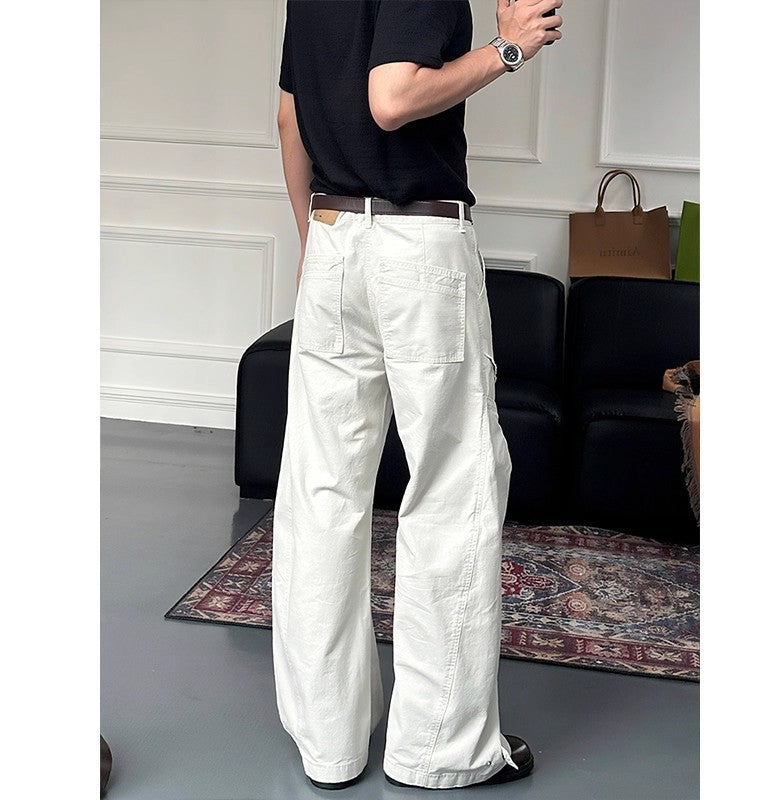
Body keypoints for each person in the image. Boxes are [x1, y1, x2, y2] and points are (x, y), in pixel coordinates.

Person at [271, 0, 563, 790]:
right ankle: (439, 748)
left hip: (334, 237)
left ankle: (328, 743)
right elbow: (392, 99)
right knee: (451, 489)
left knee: (322, 493)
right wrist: (507, 49)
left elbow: (290, 119)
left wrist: (313, 242)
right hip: (419, 247)